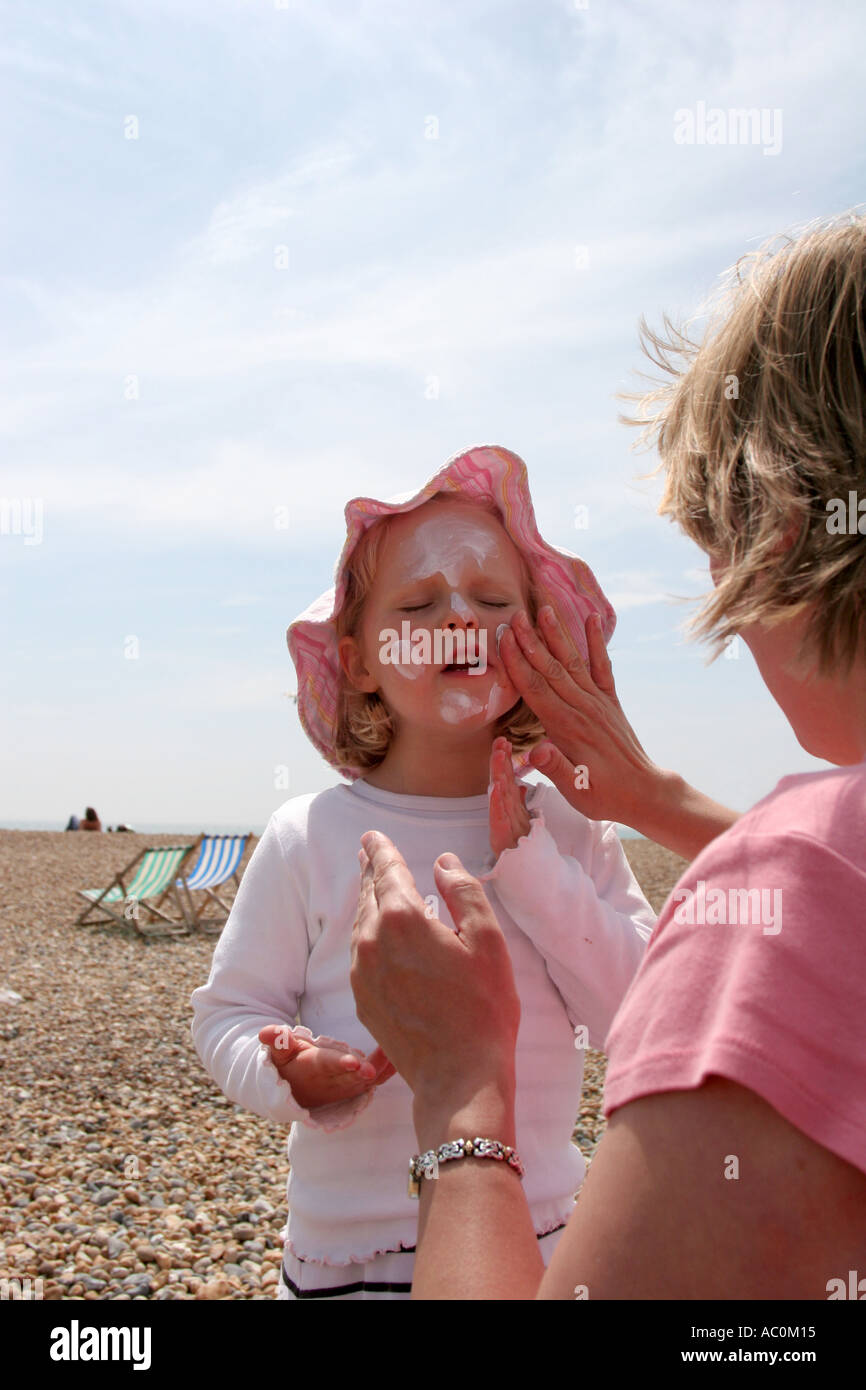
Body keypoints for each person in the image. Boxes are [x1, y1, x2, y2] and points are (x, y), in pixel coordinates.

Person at [350, 214, 866, 1299]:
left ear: (773, 527)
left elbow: (788, 933)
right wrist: (660, 801)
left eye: (496, 600)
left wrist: (460, 1098)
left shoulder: (799, 875)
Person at [190, 445, 655, 1299]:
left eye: (491, 601)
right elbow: (228, 1011)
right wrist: (284, 1069)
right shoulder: (308, 835)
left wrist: (533, 865)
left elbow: (644, 1020)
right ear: (360, 661)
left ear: (537, 641)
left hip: (539, 1238)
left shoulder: (575, 829)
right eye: (418, 602)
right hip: (345, 1254)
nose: (458, 617)